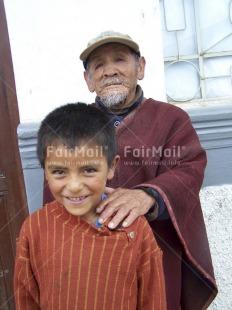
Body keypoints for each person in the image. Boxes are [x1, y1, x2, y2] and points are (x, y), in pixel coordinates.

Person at [77, 31, 218, 309]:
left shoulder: (172, 119)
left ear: (140, 68)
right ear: (89, 80)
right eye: (99, 65)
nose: (110, 71)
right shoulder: (72, 126)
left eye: (120, 59)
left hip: (158, 255)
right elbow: (55, 186)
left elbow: (189, 169)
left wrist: (147, 196)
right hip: (96, 262)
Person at [14, 102, 167, 309]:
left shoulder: (133, 228)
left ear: (112, 166)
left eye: (88, 170)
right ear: (45, 171)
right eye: (59, 172)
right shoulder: (34, 229)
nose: (75, 186)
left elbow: (153, 301)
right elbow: (26, 300)